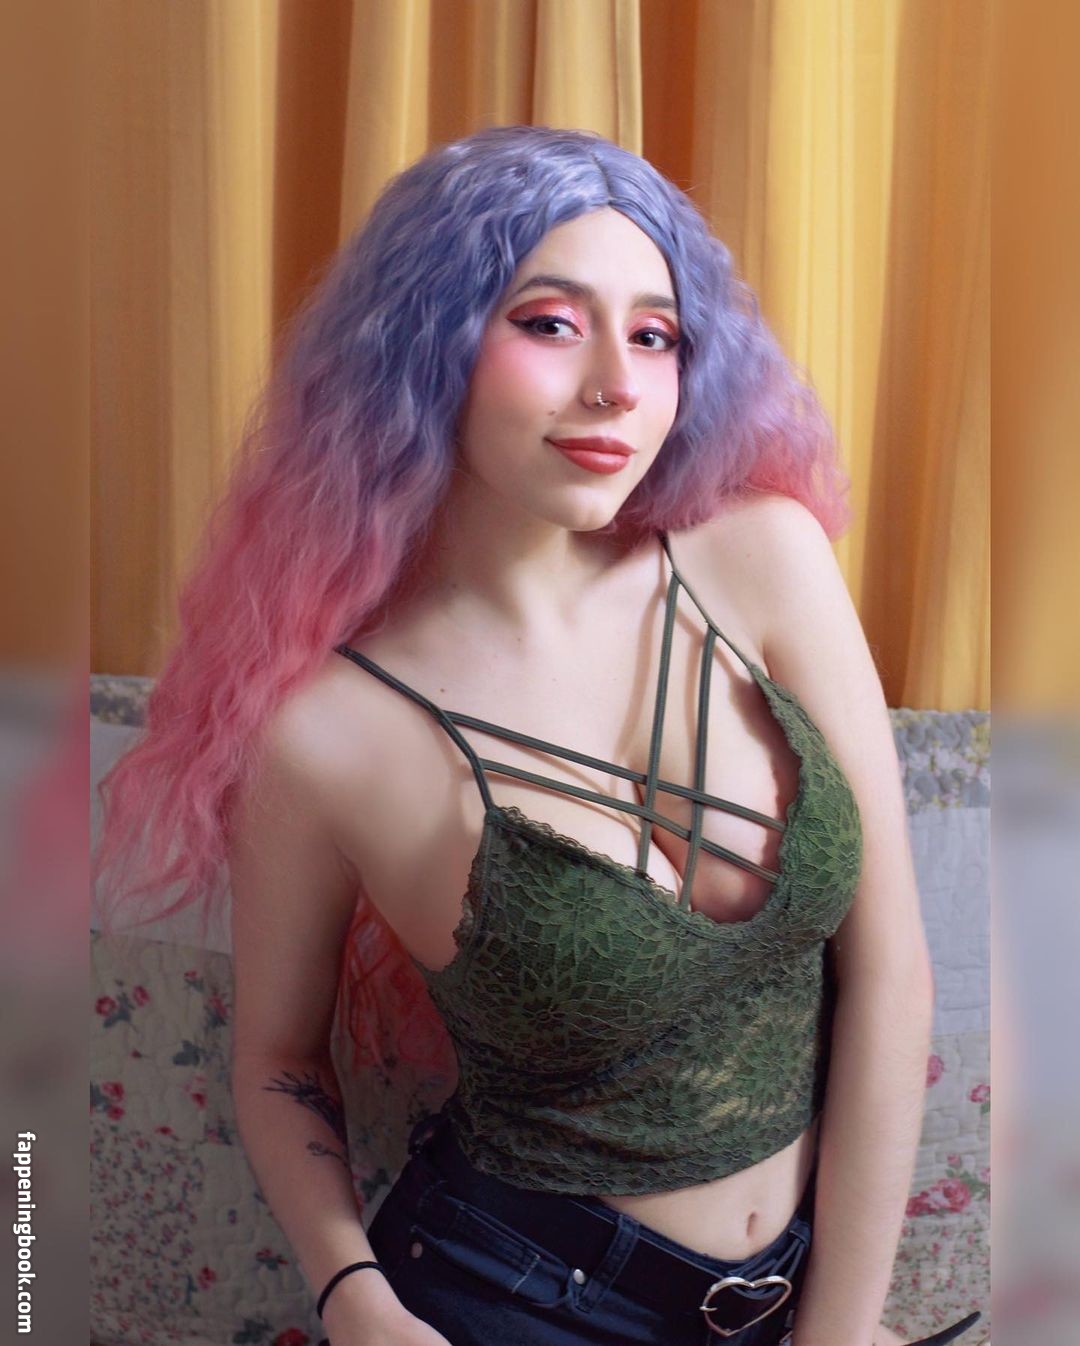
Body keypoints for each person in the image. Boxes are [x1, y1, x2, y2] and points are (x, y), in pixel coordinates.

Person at [96, 126, 980, 1346]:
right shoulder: (323, 732)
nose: (617, 383)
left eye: (656, 335)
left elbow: (891, 968)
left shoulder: (762, 558)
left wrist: (838, 1326)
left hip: (802, 1299)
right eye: (552, 324)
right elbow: (278, 1059)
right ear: (430, 345)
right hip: (504, 1291)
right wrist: (357, 1299)